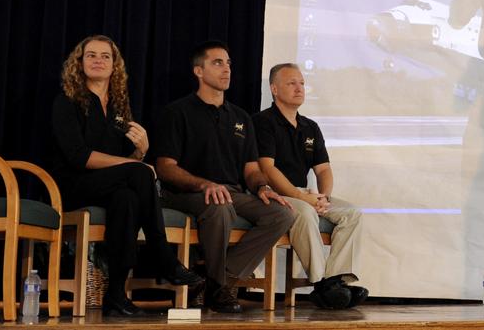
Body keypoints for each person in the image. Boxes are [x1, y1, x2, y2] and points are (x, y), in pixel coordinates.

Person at [49, 35, 204, 316]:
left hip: (108, 186)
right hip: (70, 185)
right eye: (91, 55)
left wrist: (141, 152)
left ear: (114, 65)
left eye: (105, 56)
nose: (98, 60)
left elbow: (125, 168)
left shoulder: (118, 107)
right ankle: (162, 256)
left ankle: (116, 294)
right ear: (79, 63)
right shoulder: (67, 101)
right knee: (136, 178)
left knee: (127, 199)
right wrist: (136, 165)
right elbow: (79, 157)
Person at [153, 41, 296, 313]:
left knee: (282, 213)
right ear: (198, 71)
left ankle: (219, 279)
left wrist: (262, 187)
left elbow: (251, 169)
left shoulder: (240, 117)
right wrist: (204, 184)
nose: (226, 69)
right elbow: (165, 167)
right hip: (186, 193)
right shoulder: (178, 112)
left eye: (228, 63)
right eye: (217, 63)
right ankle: (219, 287)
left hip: (232, 192)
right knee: (220, 206)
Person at [253, 63, 368, 309]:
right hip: (276, 195)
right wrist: (301, 197)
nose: (299, 88)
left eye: (302, 83)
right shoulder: (263, 122)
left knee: (351, 213)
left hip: (305, 194)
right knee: (305, 212)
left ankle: (336, 280)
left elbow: (323, 169)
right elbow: (267, 169)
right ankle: (321, 283)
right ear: (274, 89)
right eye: (291, 83)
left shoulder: (310, 127)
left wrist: (324, 197)